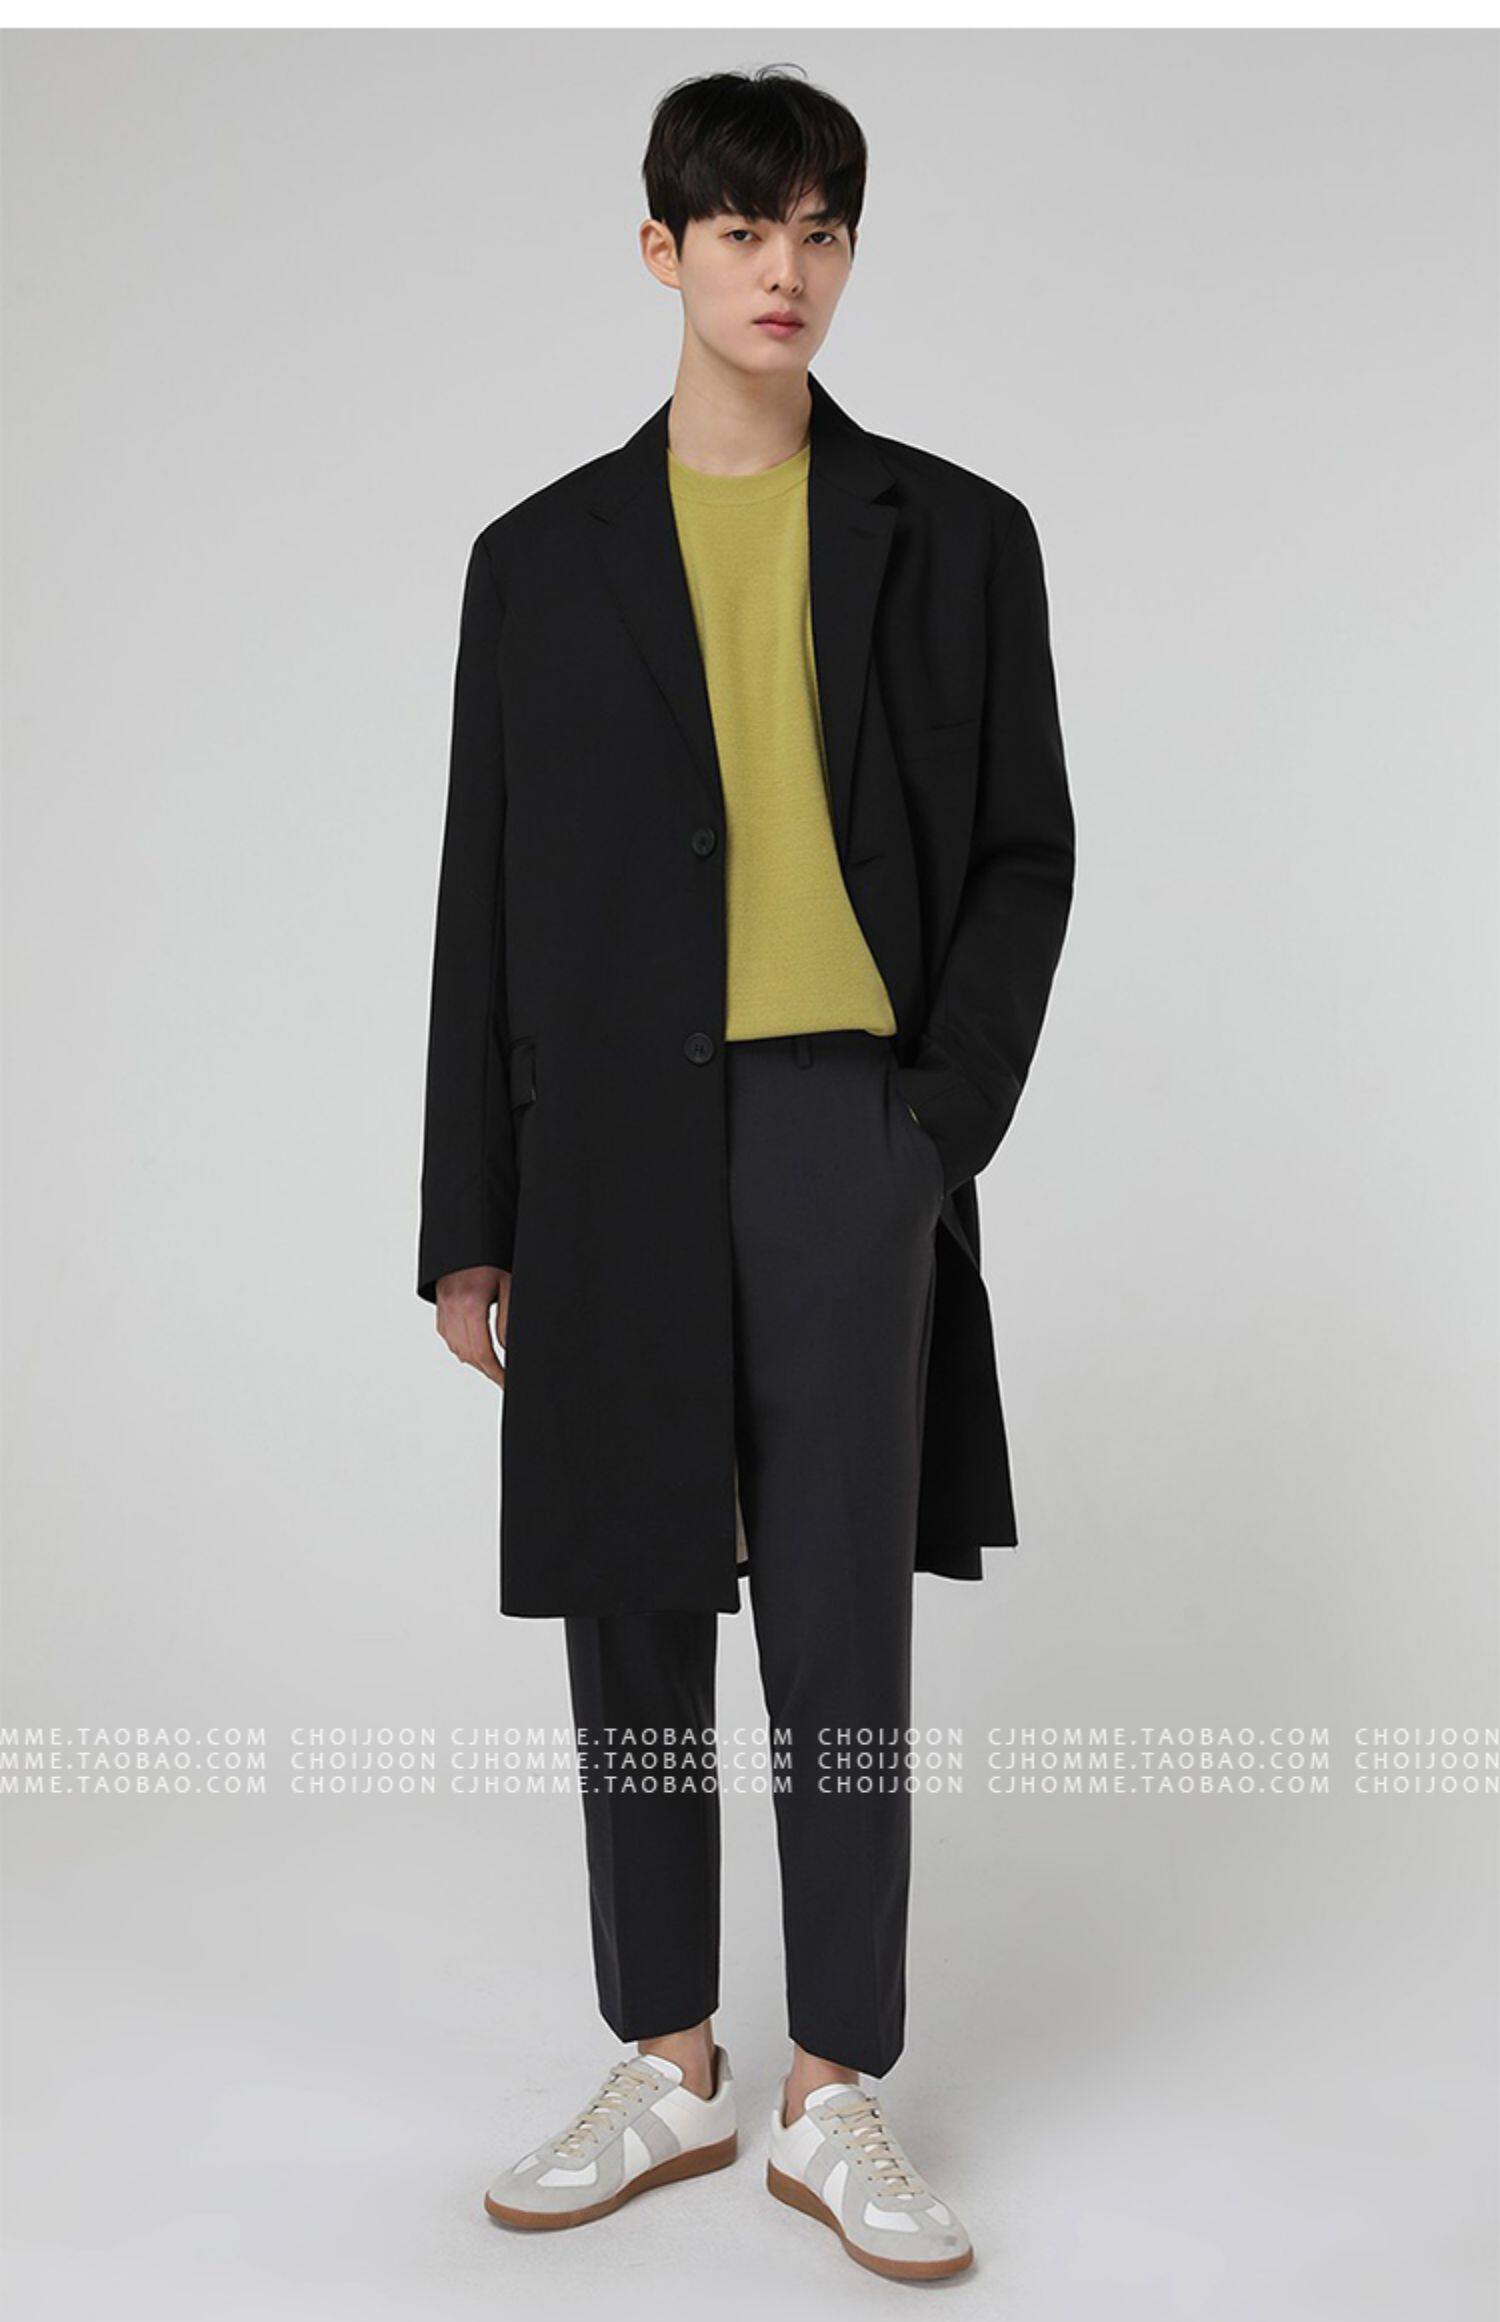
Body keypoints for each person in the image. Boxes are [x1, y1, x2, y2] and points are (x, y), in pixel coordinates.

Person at [418, 65, 1075, 2283]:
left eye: (819, 231)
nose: (784, 269)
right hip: (601, 1146)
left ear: (848, 253)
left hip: (839, 1136)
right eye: (741, 231)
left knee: (836, 1615)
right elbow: (481, 895)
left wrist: (930, 1127)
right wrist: (468, 1217)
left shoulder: (956, 536)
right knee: (634, 1605)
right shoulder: (538, 562)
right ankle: (670, 2058)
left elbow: (1024, 854)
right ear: (663, 252)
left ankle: (835, 2087)